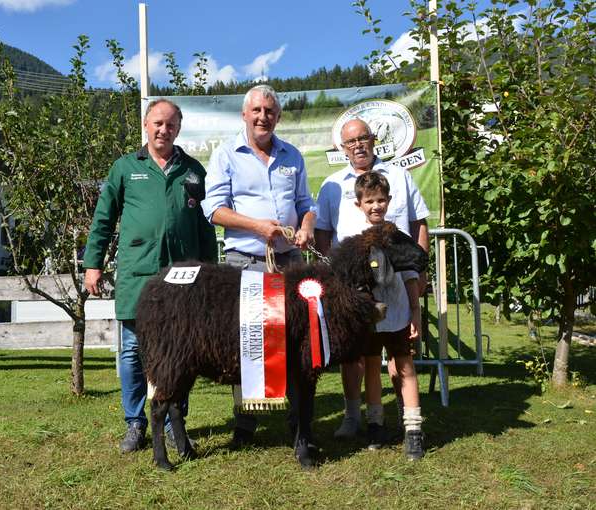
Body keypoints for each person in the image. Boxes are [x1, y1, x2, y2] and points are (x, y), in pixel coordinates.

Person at [83, 99, 217, 453]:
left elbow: (204, 227)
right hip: (138, 275)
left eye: (171, 124)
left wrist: (212, 272)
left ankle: (175, 423)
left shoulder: (193, 170)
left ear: (178, 128)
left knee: (181, 352)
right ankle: (135, 423)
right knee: (131, 350)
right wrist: (92, 263)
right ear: (146, 124)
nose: (164, 129)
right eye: (158, 123)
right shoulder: (125, 168)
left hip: (183, 278)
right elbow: (103, 219)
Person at [201, 84, 317, 448]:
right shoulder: (225, 155)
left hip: (290, 263)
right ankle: (246, 424)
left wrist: (307, 226)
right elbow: (213, 210)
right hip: (245, 263)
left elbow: (305, 203)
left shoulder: (292, 155)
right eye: (257, 111)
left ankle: (297, 421)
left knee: (297, 341)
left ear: (277, 117)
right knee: (247, 343)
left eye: (269, 111)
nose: (263, 117)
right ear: (244, 115)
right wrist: (258, 227)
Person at [315, 118, 429, 455]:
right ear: (343, 147)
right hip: (354, 293)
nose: (358, 145)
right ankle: (356, 418)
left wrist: (419, 272)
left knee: (400, 358)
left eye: (363, 138)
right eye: (351, 141)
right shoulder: (333, 185)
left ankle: (409, 423)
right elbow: (322, 232)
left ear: (373, 139)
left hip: (397, 287)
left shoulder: (398, 176)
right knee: (357, 358)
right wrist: (332, 275)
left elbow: (420, 222)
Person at [352, 171, 425, 460]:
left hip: (397, 314)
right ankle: (375, 425)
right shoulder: (354, 242)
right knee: (371, 367)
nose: (376, 206)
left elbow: (410, 277)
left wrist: (415, 313)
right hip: (369, 318)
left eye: (381, 200)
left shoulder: (399, 239)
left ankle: (414, 430)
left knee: (404, 366)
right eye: (369, 201)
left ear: (389, 201)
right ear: (359, 204)